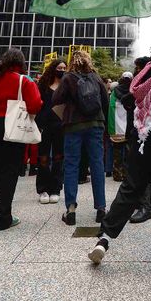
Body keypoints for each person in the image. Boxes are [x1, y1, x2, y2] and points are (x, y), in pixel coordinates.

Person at [88, 40, 151, 276]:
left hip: (140, 145)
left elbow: (128, 100)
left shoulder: (140, 85)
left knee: (129, 192)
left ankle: (103, 239)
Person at [0, 49, 42, 230]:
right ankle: (3, 218)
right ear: (21, 63)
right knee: (8, 173)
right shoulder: (24, 81)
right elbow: (35, 105)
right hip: (14, 129)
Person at [52, 50, 108, 226]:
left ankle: (71, 209)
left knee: (71, 166)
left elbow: (55, 98)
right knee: (97, 164)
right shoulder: (96, 77)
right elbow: (105, 102)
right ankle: (101, 209)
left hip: (73, 125)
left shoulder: (68, 78)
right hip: (95, 125)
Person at [127, 56, 151, 224]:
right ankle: (139, 202)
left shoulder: (149, 83)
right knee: (135, 168)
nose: (135, 71)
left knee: (143, 168)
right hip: (136, 130)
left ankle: (146, 207)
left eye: (138, 68)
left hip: (146, 132)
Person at [35, 59, 66, 204]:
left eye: (64, 68)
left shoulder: (67, 85)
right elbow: (37, 104)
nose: (62, 70)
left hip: (61, 126)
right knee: (43, 158)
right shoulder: (43, 85)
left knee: (59, 158)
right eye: (60, 67)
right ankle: (43, 189)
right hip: (45, 126)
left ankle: (56, 189)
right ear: (53, 69)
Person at [108, 71, 133, 182]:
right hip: (129, 126)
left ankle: (117, 174)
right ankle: (127, 174)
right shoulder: (133, 91)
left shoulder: (114, 93)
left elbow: (110, 109)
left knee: (117, 152)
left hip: (116, 126)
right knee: (129, 152)